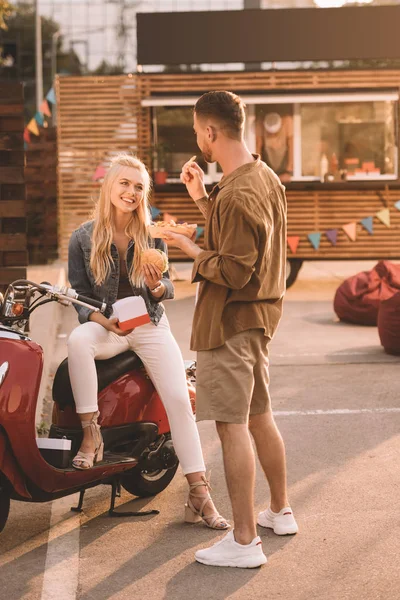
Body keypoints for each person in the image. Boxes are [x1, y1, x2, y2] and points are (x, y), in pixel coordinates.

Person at [163, 91, 298, 568]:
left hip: (231, 323)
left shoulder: (239, 192)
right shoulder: (262, 177)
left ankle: (243, 542)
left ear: (210, 133)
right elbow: (243, 243)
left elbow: (235, 269)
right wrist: (202, 200)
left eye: (198, 131)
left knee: (231, 426)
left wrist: (186, 248)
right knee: (259, 415)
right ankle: (280, 512)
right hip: (258, 321)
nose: (198, 139)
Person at [67, 153, 228, 530]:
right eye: (124, 183)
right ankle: (92, 436)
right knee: (78, 341)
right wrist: (103, 320)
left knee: (177, 400)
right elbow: (79, 295)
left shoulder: (153, 234)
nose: (131, 192)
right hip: (110, 325)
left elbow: (167, 286)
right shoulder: (83, 237)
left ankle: (199, 494)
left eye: (139, 187)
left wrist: (157, 285)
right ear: (109, 186)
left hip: (151, 325)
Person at [256, 110, 293, 183]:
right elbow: (258, 148)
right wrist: (260, 171)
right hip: (268, 169)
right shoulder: (260, 124)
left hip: (284, 169)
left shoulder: (287, 122)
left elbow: (292, 147)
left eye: (275, 133)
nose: (272, 135)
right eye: (270, 133)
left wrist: (289, 171)